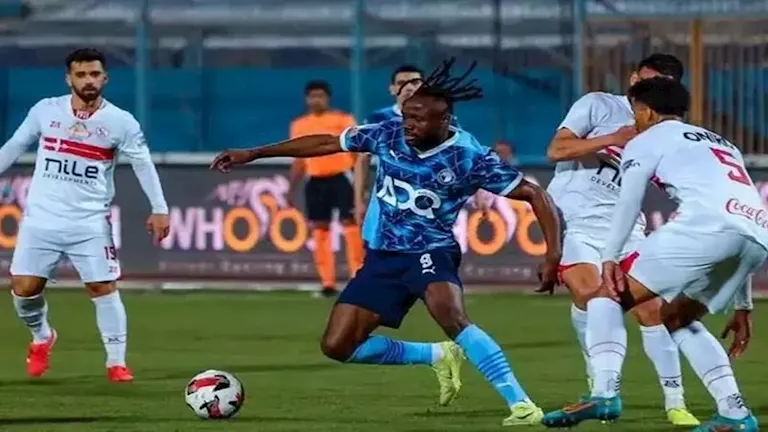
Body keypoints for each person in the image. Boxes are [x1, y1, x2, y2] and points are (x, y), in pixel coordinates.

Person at [211, 58, 563, 426]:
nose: (408, 124)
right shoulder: (387, 133)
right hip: (382, 257)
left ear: (444, 120)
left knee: (452, 317)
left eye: (418, 119)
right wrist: (255, 153)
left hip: (431, 251)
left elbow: (536, 195)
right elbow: (328, 142)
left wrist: (552, 254)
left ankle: (522, 405)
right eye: (406, 115)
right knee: (338, 345)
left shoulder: (468, 156)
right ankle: (435, 355)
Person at [542, 77, 763, 432]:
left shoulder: (648, 139)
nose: (633, 121)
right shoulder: (721, 142)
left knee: (606, 296)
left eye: (635, 113)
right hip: (756, 237)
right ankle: (735, 413)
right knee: (677, 317)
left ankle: (604, 393)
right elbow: (738, 224)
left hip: (703, 229)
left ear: (645, 111)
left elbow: (629, 203)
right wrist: (743, 305)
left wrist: (610, 258)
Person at [544, 53, 697, 426]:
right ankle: (600, 387)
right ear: (632, 78)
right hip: (576, 221)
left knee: (653, 310)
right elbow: (556, 150)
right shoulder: (598, 104)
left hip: (626, 227)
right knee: (590, 295)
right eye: (643, 79)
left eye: (658, 84)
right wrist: (615, 138)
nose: (645, 88)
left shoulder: (667, 131)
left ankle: (676, 402)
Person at [0, 48, 170, 382]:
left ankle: (116, 363)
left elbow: (143, 164)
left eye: (94, 74)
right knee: (24, 289)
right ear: (69, 79)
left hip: (90, 222)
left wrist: (160, 208)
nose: (88, 80)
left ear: (105, 78)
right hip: (41, 220)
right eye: (81, 75)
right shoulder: (46, 111)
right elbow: (14, 146)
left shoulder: (121, 122)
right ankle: (42, 336)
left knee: (102, 286)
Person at [353, 64, 460, 227]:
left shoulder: (442, 118)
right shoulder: (377, 119)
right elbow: (362, 160)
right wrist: (358, 200)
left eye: (414, 83)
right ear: (392, 89)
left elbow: (460, 157)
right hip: (386, 194)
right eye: (401, 83)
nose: (408, 88)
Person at [288, 80, 363, 297]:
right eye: (312, 96)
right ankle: (327, 283)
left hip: (341, 177)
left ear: (327, 98)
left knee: (350, 225)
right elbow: (298, 158)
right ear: (306, 99)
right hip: (315, 180)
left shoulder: (343, 120)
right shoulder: (299, 125)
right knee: (320, 229)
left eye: (320, 96)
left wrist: (360, 182)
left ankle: (357, 277)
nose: (316, 100)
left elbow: (357, 152)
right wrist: (291, 187)